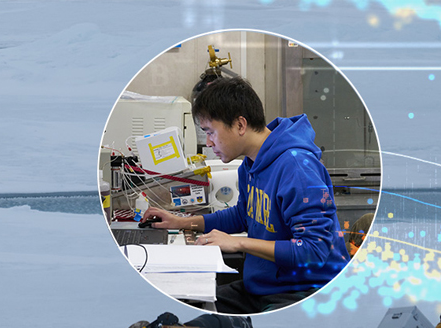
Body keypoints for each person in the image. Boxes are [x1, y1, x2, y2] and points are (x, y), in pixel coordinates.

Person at [142, 77, 349, 314]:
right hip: (261, 287)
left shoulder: (296, 166)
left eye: (211, 132)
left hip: (301, 292)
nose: (208, 142)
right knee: (184, 306)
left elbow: (314, 249)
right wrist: (182, 222)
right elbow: (243, 215)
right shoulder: (250, 166)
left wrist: (239, 242)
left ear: (240, 125)